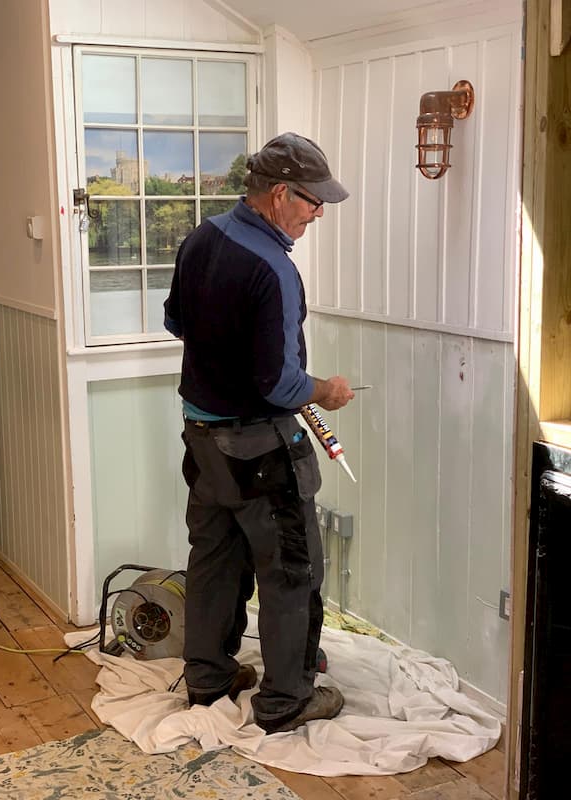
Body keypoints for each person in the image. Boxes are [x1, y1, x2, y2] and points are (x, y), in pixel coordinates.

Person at [163, 131, 354, 734]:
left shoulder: (200, 238)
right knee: (292, 570)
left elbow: (175, 320)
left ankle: (209, 679)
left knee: (214, 559)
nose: (318, 212)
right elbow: (279, 384)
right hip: (261, 450)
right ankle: (286, 701)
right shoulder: (274, 270)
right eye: (312, 200)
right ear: (278, 194)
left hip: (201, 439)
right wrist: (326, 390)